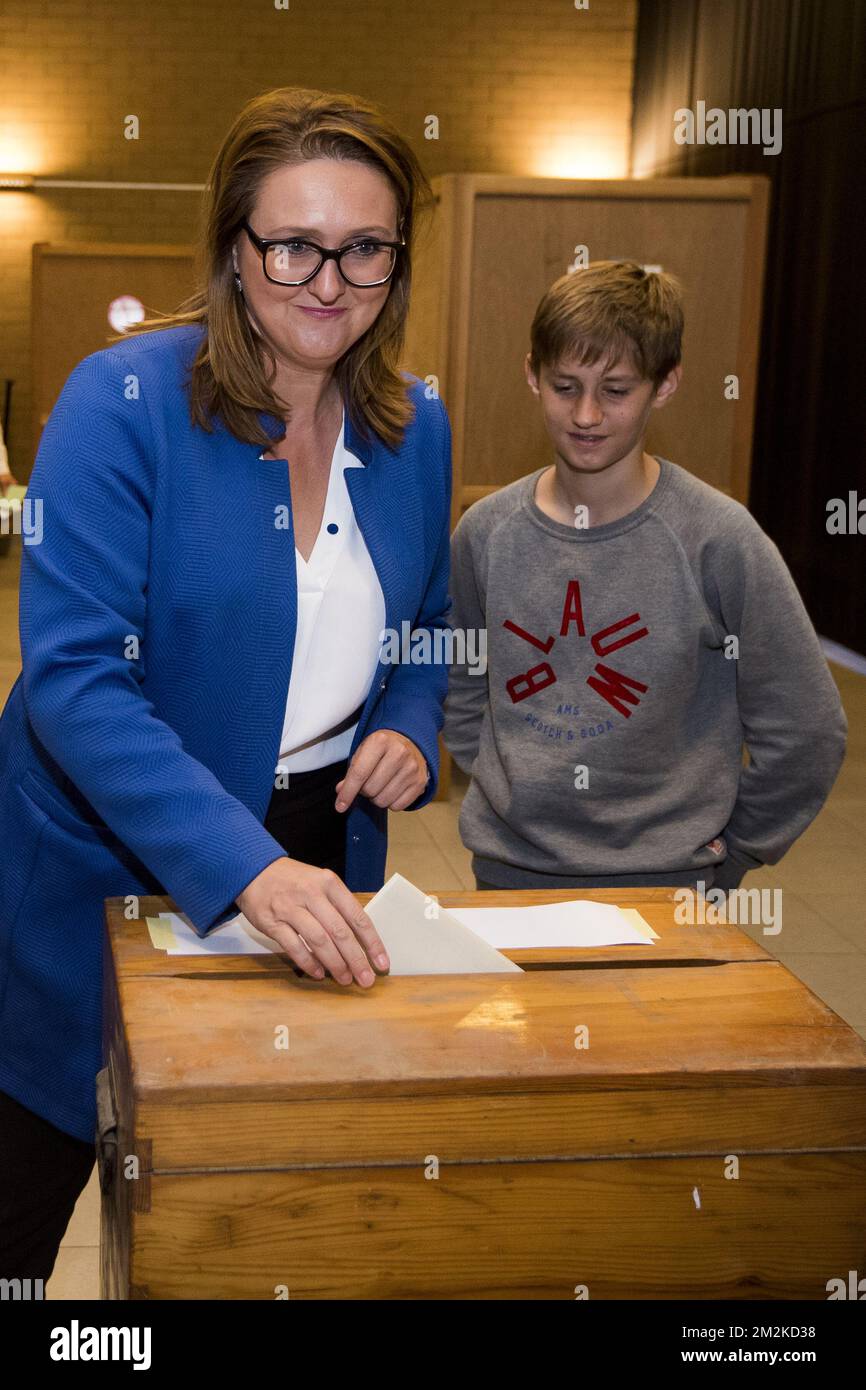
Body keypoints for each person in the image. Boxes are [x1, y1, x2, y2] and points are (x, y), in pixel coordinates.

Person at [0, 86, 452, 1280]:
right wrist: (241, 865)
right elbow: (78, 681)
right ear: (233, 250)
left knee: (240, 1228)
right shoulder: (124, 402)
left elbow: (430, 619)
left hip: (320, 851)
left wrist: (408, 719)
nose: (328, 279)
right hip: (107, 861)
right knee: (24, 1204)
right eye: (293, 243)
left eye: (364, 248)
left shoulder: (417, 424)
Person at [443, 260, 846, 892]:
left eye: (617, 390)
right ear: (532, 375)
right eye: (565, 385)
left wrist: (736, 851)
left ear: (665, 385)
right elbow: (459, 676)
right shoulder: (485, 532)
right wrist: (499, 784)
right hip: (510, 874)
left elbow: (807, 726)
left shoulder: (719, 538)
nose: (587, 415)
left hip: (673, 881)